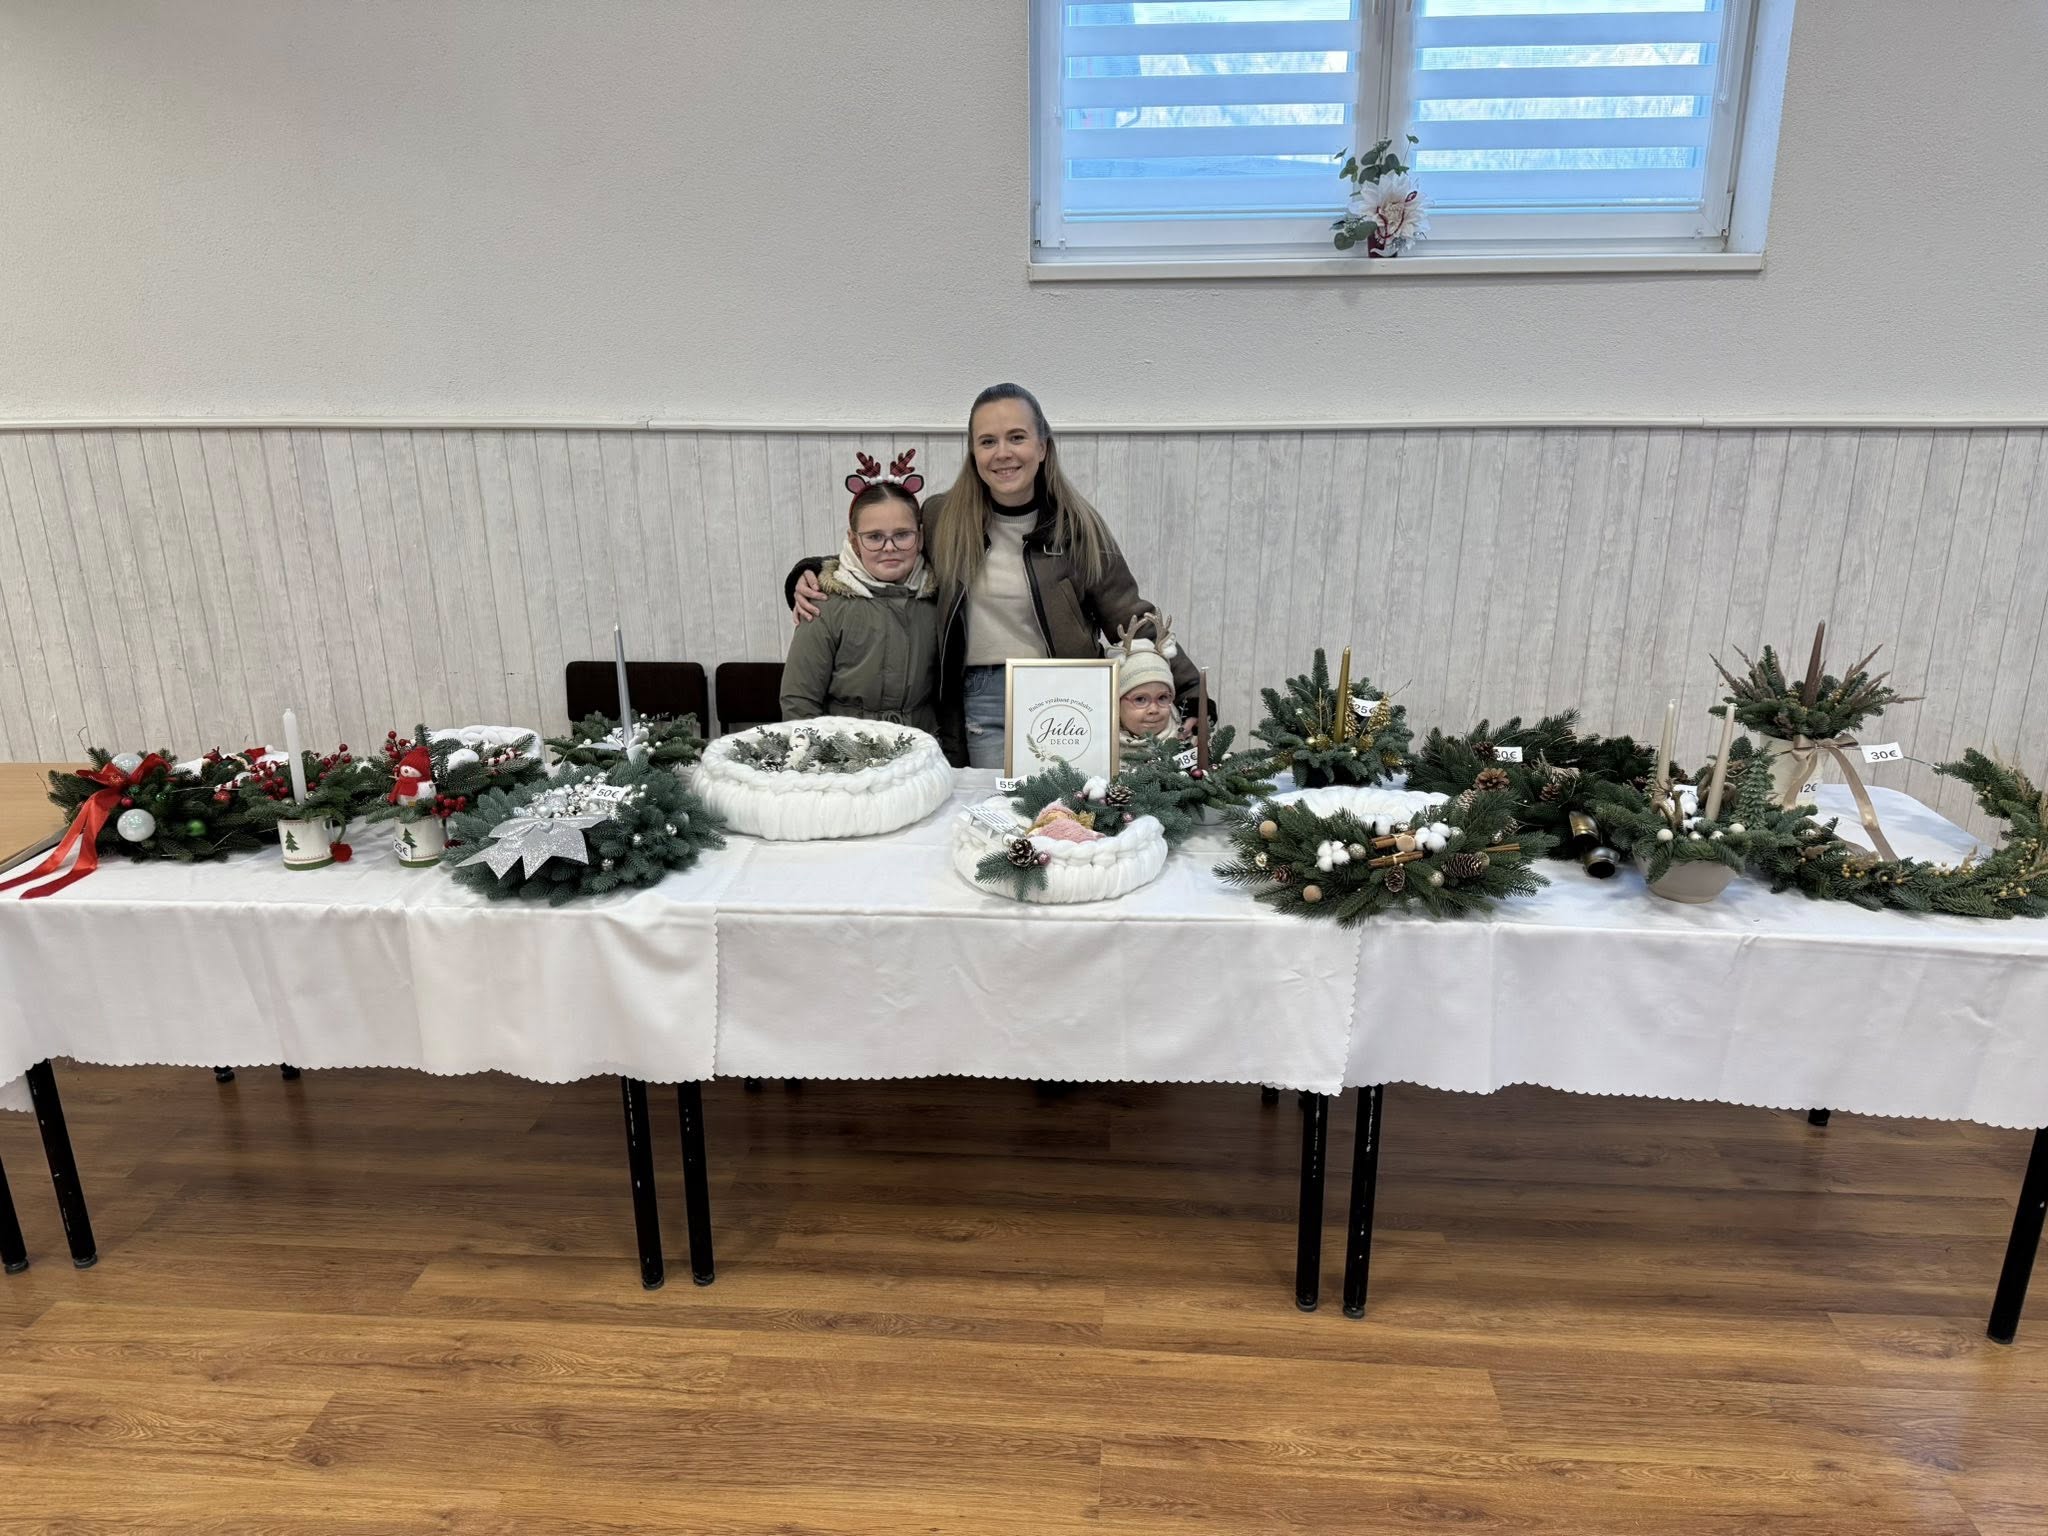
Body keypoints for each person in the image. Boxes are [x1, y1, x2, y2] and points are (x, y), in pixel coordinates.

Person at [787, 383, 1206, 769]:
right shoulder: (943, 517)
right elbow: (888, 549)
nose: (1002, 453)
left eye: (1017, 437)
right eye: (987, 441)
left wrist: (1192, 694)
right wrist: (812, 570)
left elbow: (1131, 617)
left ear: (1042, 446)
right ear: (973, 453)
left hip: (1064, 693)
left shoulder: (1077, 528)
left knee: (1067, 806)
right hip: (981, 696)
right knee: (998, 806)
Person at [779, 450, 948, 752]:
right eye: (874, 537)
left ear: (920, 537)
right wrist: (814, 757)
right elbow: (799, 700)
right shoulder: (824, 604)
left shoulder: (938, 602)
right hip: (844, 754)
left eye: (902, 535)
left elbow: (949, 696)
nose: (889, 547)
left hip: (920, 753)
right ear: (854, 541)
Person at [1111, 613, 1181, 747]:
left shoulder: (1185, 745)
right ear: (1116, 703)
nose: (1153, 709)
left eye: (1162, 698)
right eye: (1140, 699)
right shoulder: (1102, 749)